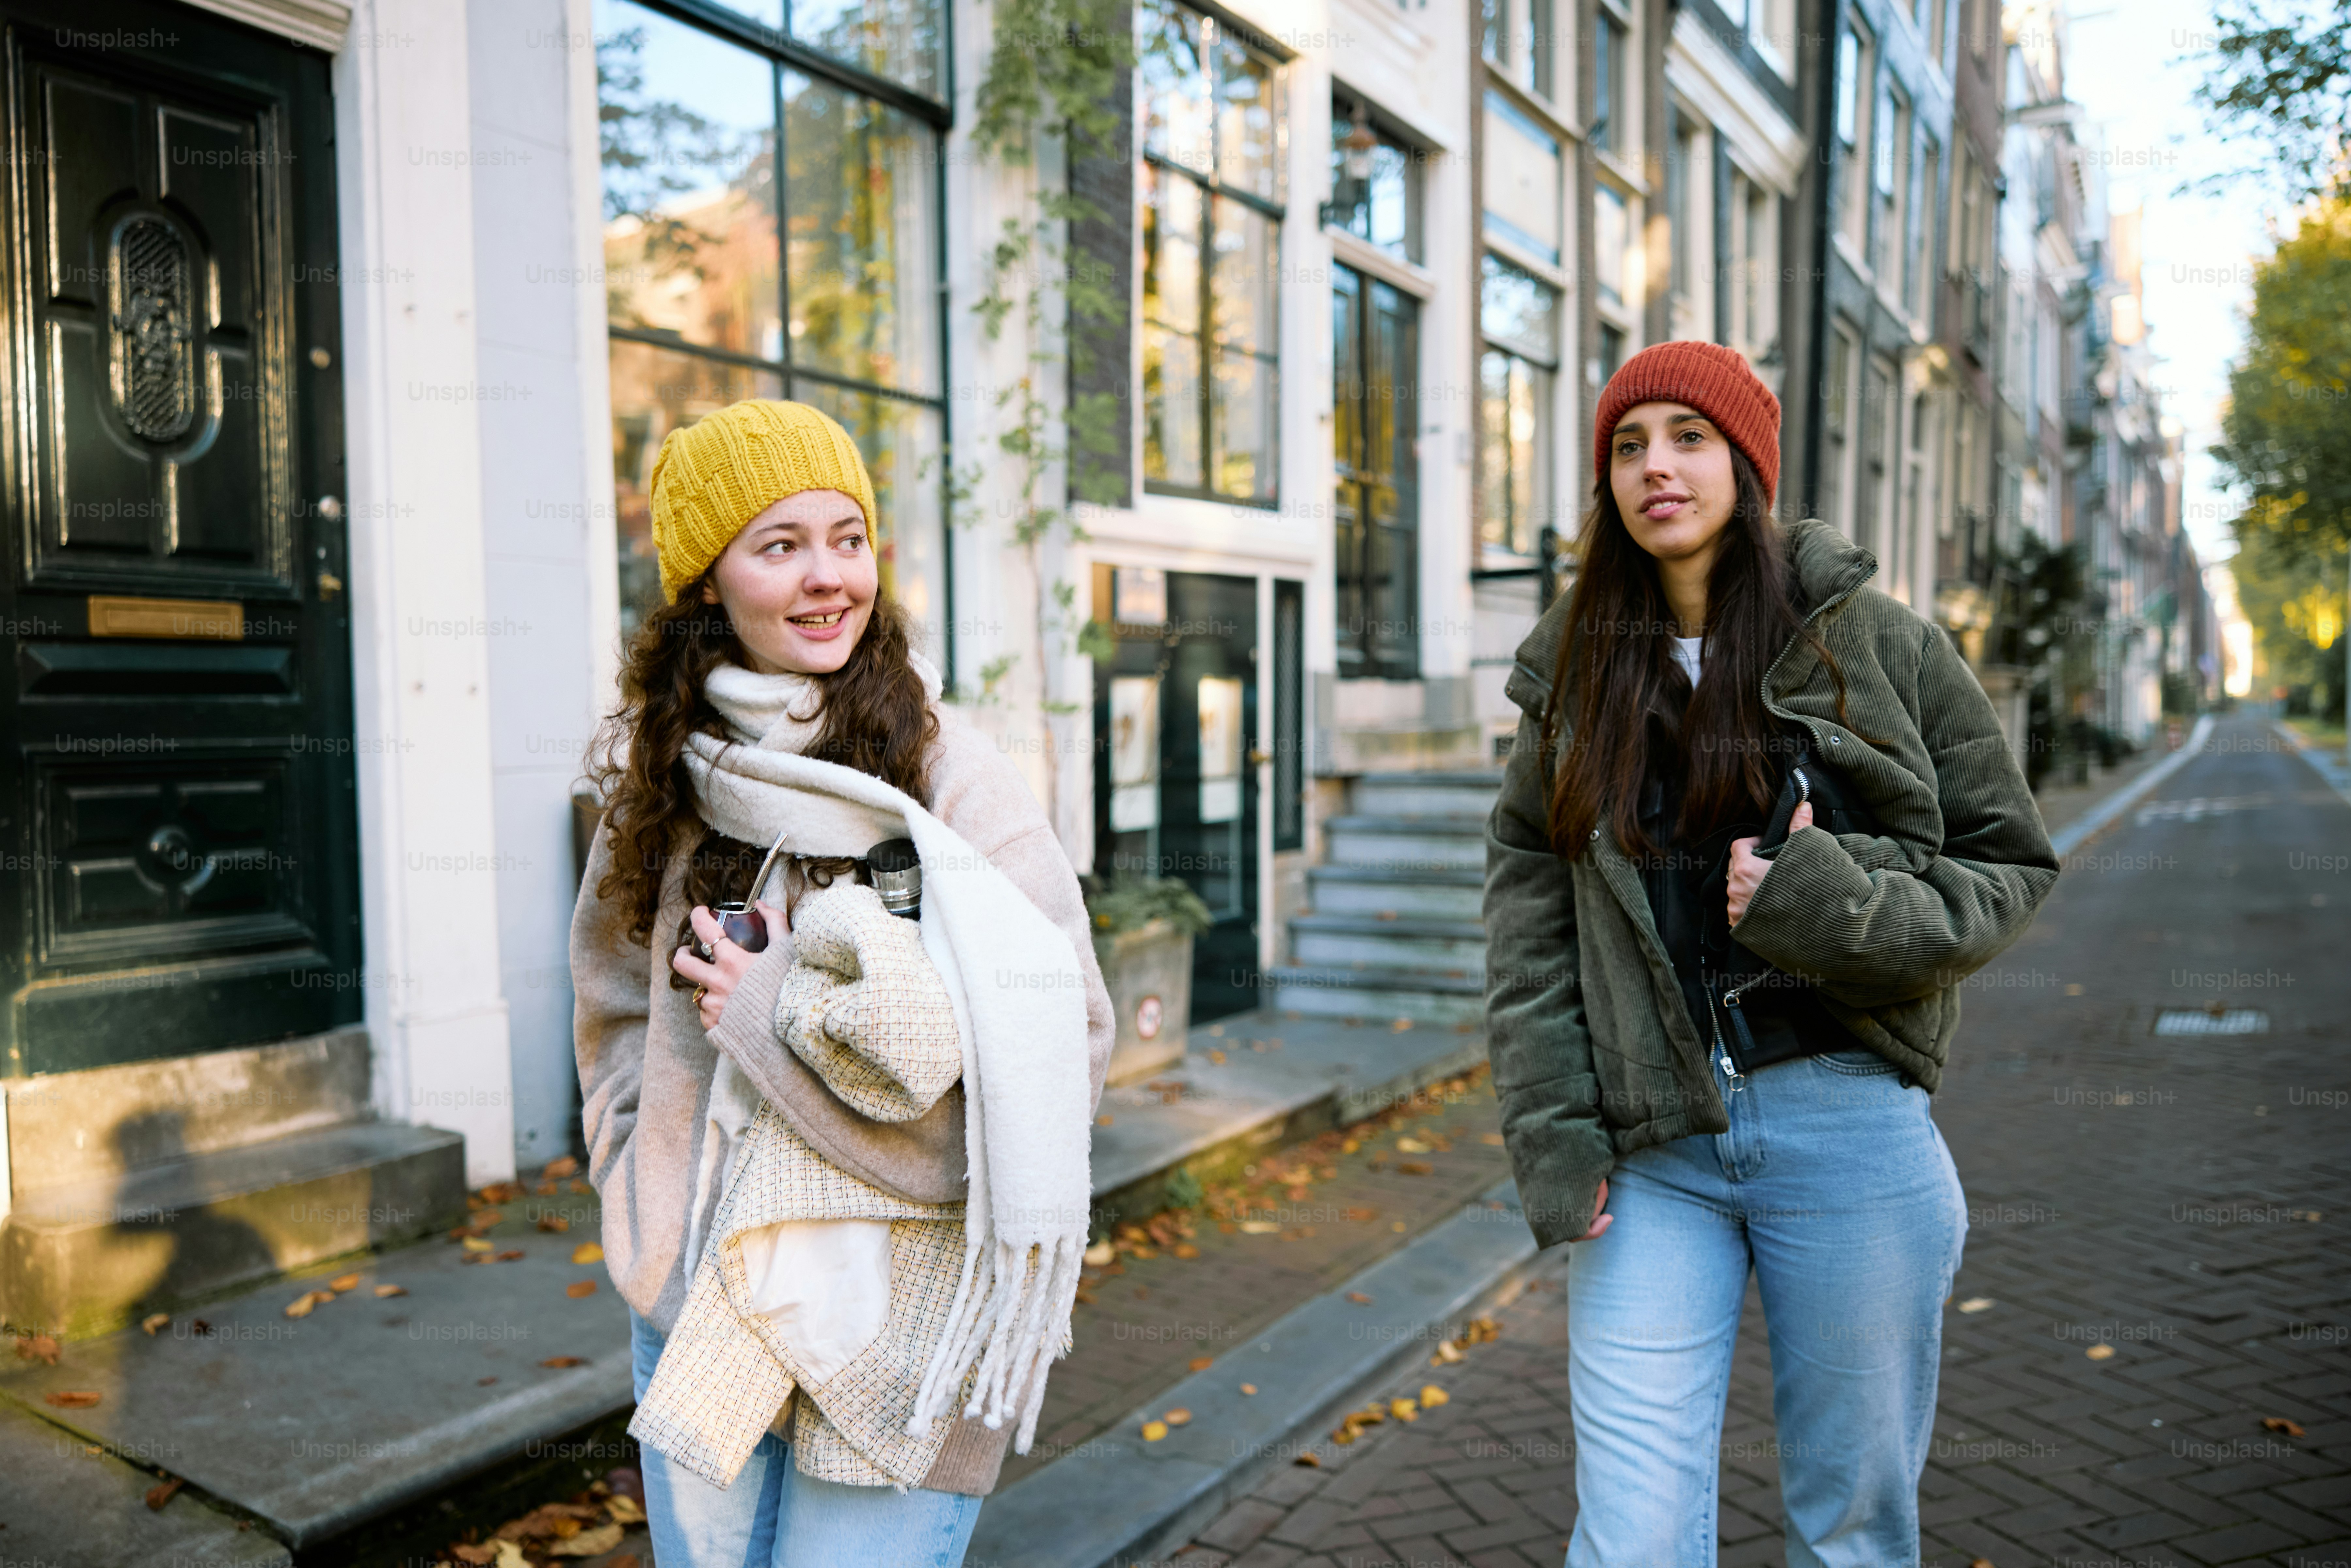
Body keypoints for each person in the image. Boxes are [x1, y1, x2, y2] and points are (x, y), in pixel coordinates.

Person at [1482, 342, 2057, 1566]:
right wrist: (1551, 1125)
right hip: (1652, 1152)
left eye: (1690, 437)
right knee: (1629, 1538)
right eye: (1629, 447)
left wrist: (1829, 905)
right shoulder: (1572, 670)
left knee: (1850, 1527)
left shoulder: (1881, 644)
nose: (1657, 468)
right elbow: (1531, 916)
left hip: (1847, 1126)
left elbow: (2010, 863)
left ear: (1747, 463)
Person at [571, 399, 1113, 1567]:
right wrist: (641, 1187)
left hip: (900, 1315)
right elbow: (614, 1003)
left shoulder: (945, 775)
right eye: (780, 546)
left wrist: (776, 1025)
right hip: (700, 1294)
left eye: (849, 537)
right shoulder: (664, 779)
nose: (829, 579)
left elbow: (1067, 1033)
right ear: (706, 582)